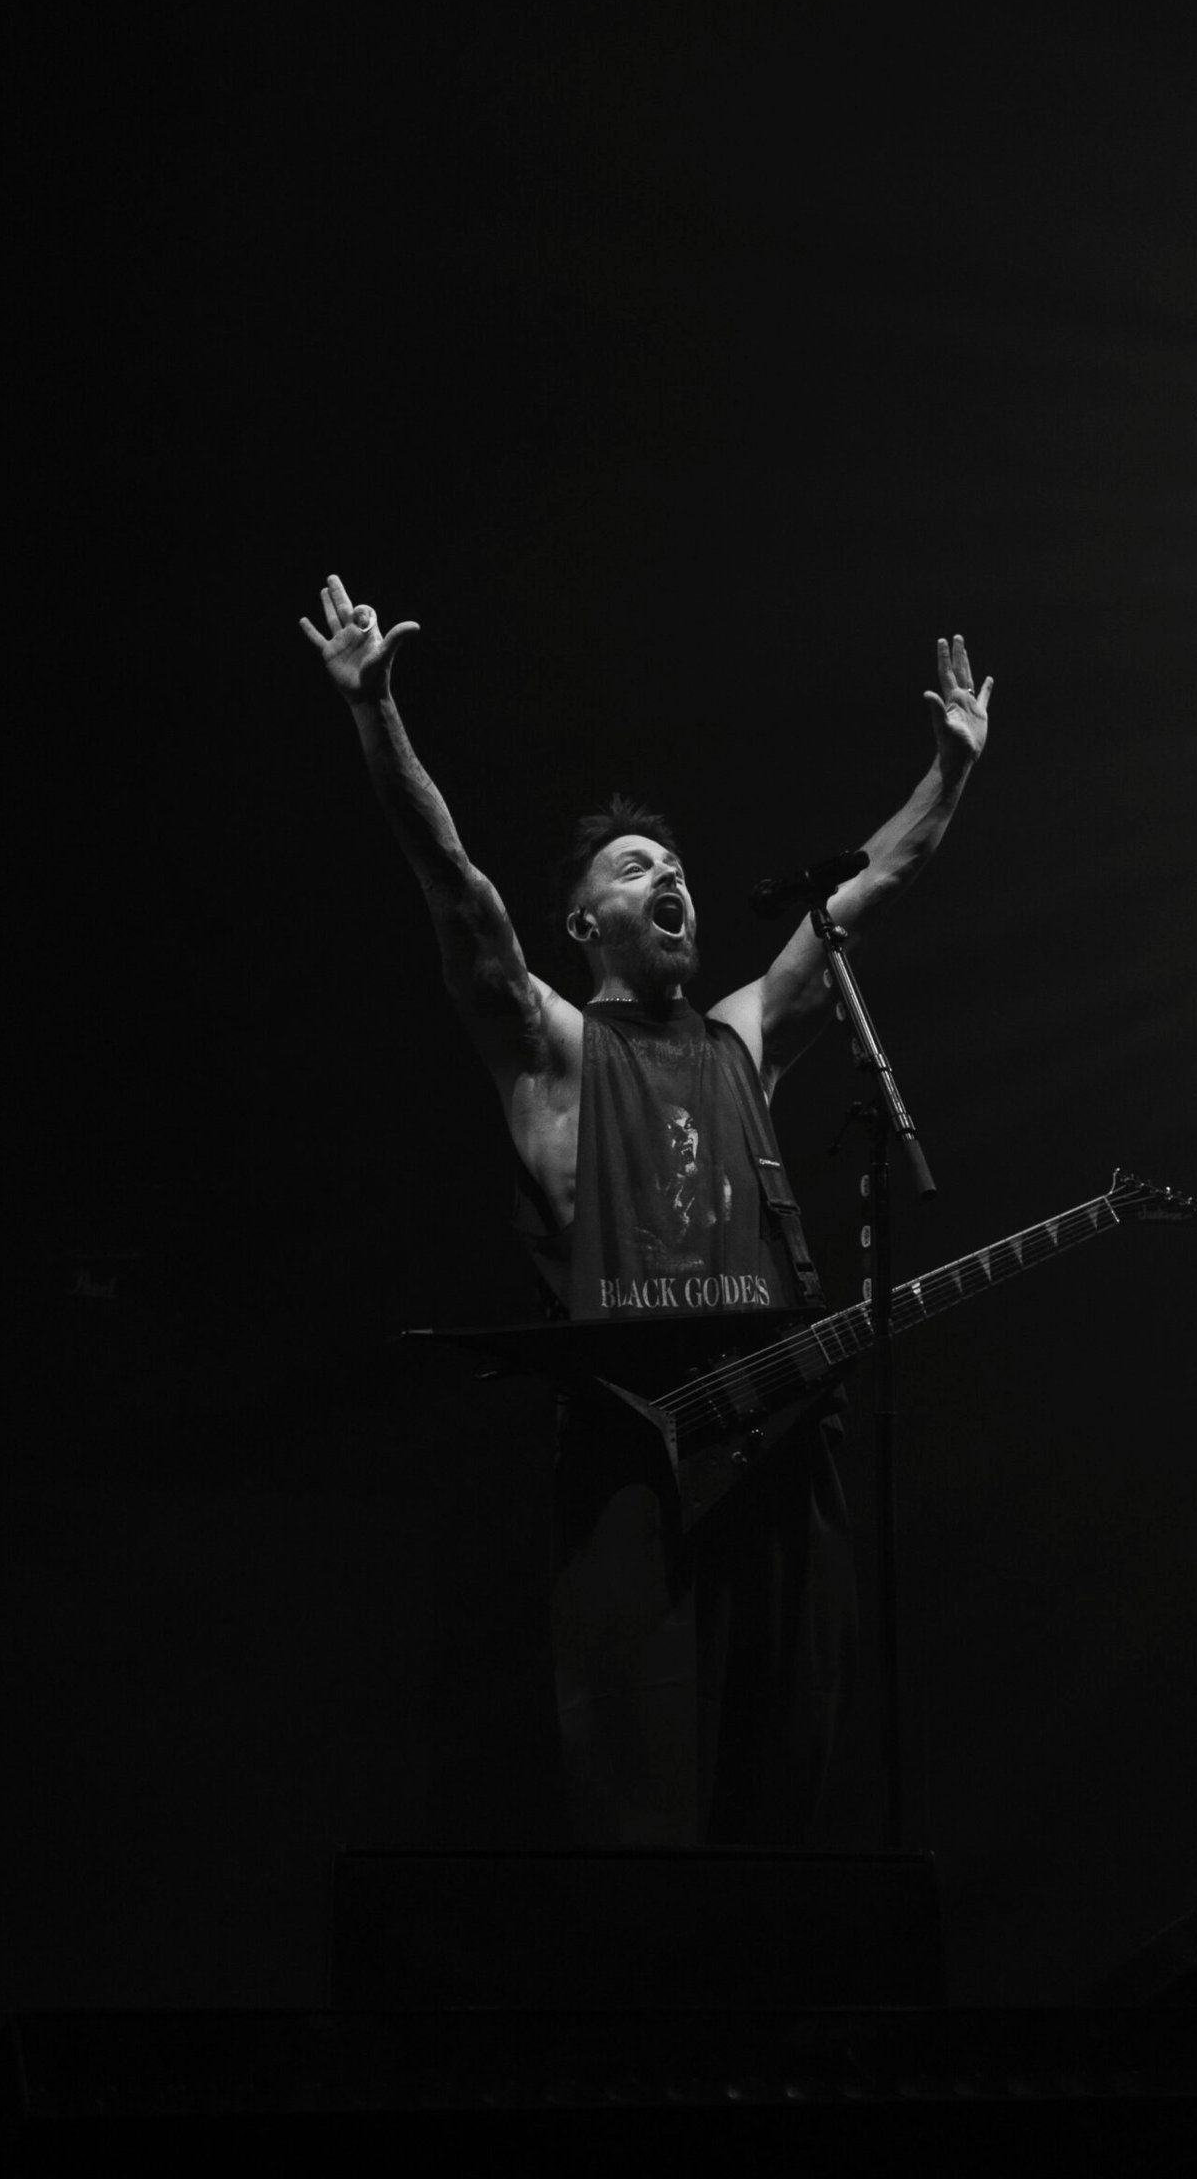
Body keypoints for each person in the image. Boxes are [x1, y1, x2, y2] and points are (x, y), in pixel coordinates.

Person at [300, 574, 992, 1845]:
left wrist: (951, 767)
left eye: (674, 865)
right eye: (635, 868)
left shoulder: (740, 1036)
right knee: (648, 1798)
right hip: (640, 1462)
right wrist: (373, 712)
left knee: (790, 1783)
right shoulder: (555, 1052)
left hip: (781, 1450)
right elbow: (454, 885)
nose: (667, 874)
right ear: (585, 919)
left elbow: (875, 882)